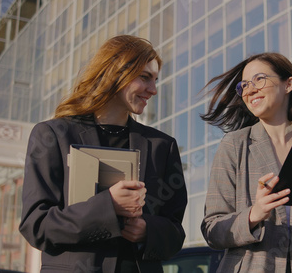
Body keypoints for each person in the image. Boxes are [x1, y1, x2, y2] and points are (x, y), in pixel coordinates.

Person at [19, 35, 187, 273]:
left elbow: (176, 231)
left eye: (156, 80)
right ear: (114, 73)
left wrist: (148, 230)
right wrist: (109, 205)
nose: (154, 90)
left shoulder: (163, 146)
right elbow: (36, 225)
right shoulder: (53, 135)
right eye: (145, 77)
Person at [200, 52, 292, 272]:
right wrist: (254, 214)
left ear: (288, 84)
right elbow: (212, 231)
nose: (250, 90)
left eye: (259, 79)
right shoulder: (234, 145)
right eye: (244, 85)